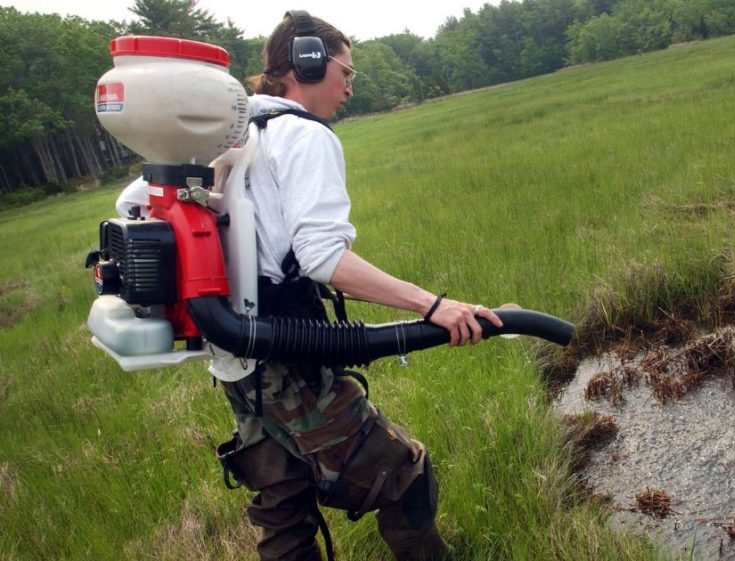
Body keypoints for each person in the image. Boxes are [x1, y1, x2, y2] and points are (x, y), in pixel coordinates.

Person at [122, 11, 502, 561]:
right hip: (286, 360)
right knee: (402, 472)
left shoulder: (223, 133)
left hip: (235, 359)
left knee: (284, 505)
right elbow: (325, 259)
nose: (350, 85)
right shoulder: (303, 135)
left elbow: (131, 205)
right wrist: (433, 305)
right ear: (306, 63)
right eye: (344, 70)